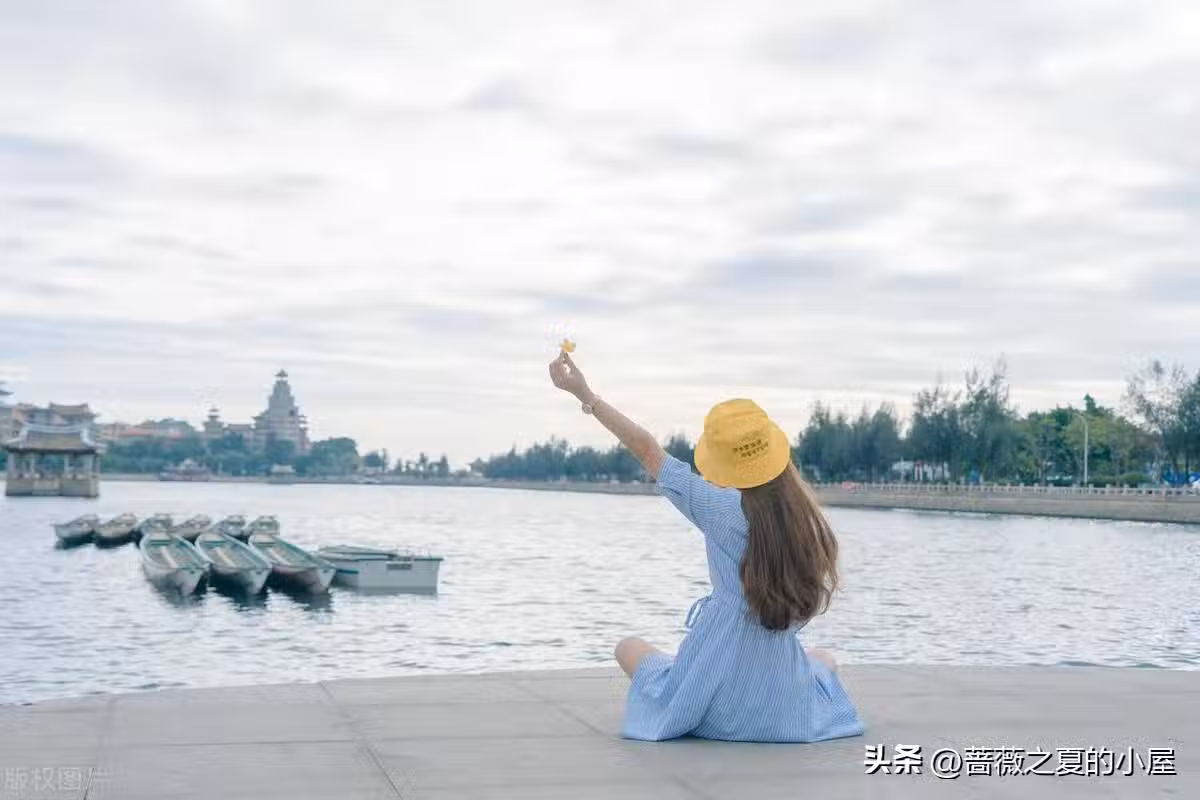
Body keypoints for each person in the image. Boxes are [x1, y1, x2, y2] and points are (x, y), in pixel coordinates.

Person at [548, 351, 865, 743]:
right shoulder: (805, 521)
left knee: (628, 648)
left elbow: (647, 449)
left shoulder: (718, 506)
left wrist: (586, 396)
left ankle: (682, 671)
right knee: (823, 659)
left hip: (712, 705)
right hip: (784, 712)